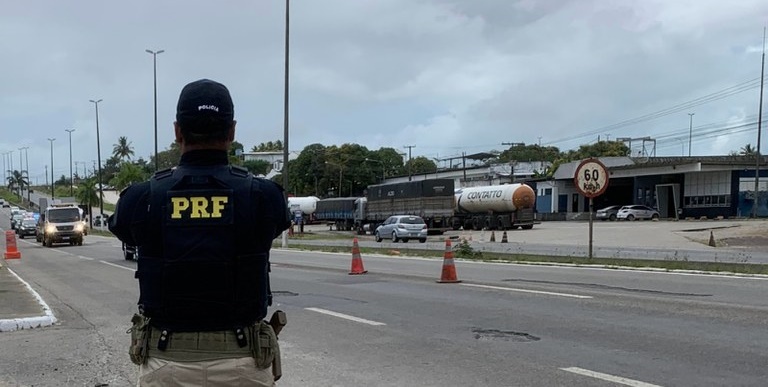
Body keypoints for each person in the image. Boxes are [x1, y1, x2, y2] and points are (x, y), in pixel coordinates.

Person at [109, 79, 291, 386]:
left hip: (167, 362)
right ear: (232, 132)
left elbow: (123, 228)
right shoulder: (263, 196)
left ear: (177, 131)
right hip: (243, 361)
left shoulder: (142, 198)